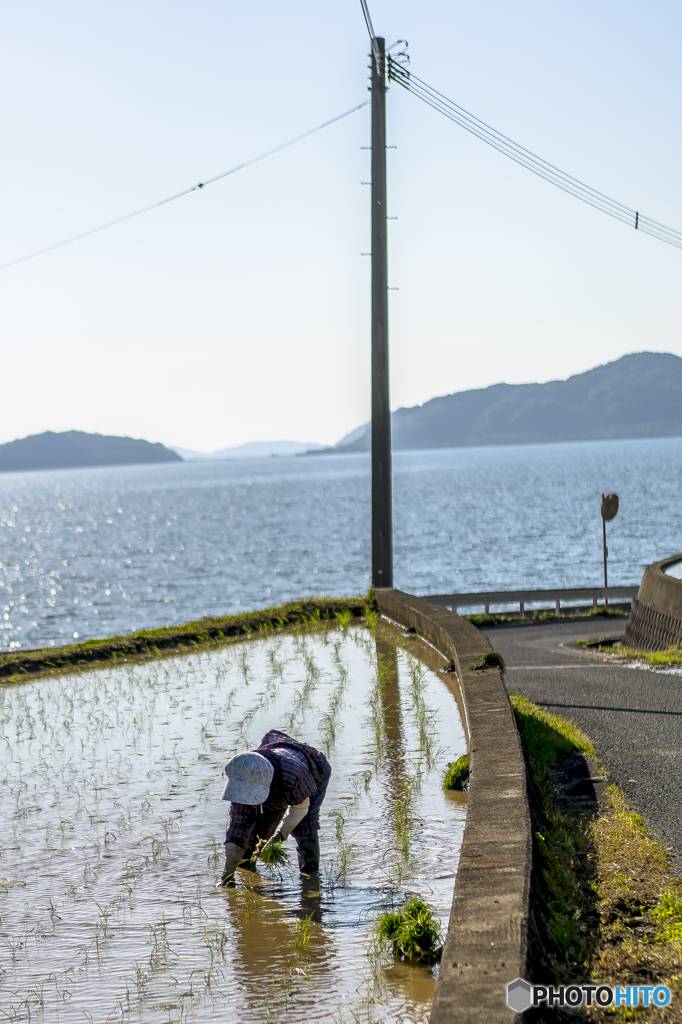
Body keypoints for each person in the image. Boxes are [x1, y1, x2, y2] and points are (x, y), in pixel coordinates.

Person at [220, 729, 331, 885]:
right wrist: (227, 875)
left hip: (309, 771)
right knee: (253, 826)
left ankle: (310, 878)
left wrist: (280, 835)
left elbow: (300, 810)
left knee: (305, 825)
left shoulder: (292, 775)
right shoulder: (244, 773)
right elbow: (237, 826)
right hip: (273, 773)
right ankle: (246, 868)